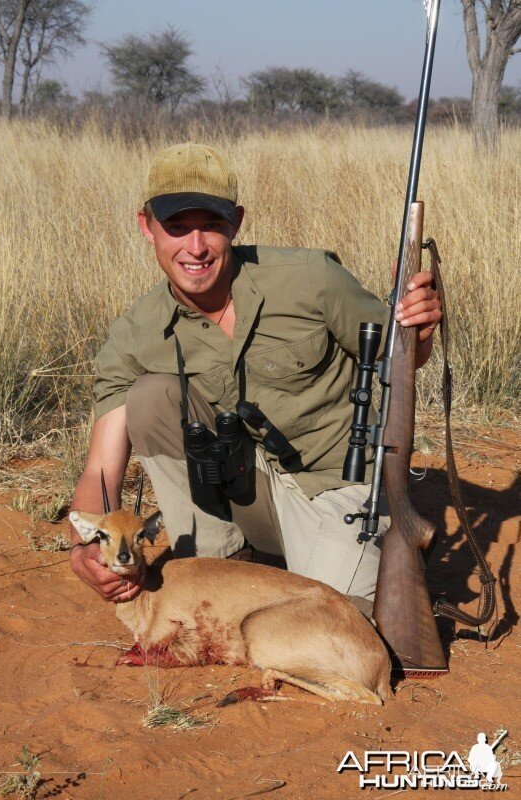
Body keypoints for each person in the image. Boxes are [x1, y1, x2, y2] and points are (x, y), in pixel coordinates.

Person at [70, 142, 442, 616]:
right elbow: (101, 470)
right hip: (247, 496)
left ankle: (344, 557)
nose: (196, 247)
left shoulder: (312, 279)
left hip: (336, 490)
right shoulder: (134, 334)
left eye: (212, 226)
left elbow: (400, 362)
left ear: (237, 222)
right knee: (151, 395)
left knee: (338, 623)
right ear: (147, 226)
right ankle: (218, 559)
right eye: (178, 228)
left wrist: (419, 330)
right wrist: (84, 546)